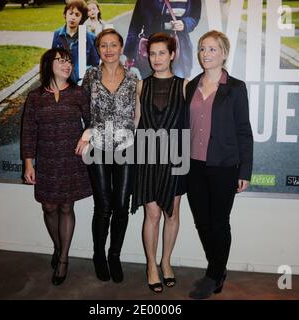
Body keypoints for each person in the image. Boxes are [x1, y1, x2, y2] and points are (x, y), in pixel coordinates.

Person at [185, 30, 253, 299]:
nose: (206, 54)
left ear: (224, 54)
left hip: (224, 165)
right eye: (202, 49)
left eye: (212, 49)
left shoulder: (235, 88)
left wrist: (244, 170)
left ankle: (214, 274)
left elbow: (244, 131)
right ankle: (217, 268)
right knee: (202, 222)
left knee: (219, 223)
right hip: (193, 166)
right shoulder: (191, 85)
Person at [21, 48, 92, 286]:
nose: (66, 64)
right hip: (47, 160)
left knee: (66, 207)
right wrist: (29, 163)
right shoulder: (35, 97)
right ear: (48, 64)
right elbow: (29, 131)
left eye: (69, 61)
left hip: (71, 159)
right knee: (49, 207)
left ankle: (63, 258)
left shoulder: (78, 93)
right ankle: (58, 246)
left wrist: (86, 135)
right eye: (61, 60)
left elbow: (93, 120)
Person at [131, 33, 188, 293]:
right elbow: (136, 122)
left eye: (162, 53)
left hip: (175, 157)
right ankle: (151, 265)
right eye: (152, 53)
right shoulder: (141, 86)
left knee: (172, 214)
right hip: (147, 156)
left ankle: (166, 261)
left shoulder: (185, 86)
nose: (156, 58)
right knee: (152, 214)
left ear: (172, 54)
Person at [81, 29, 138, 283]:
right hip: (98, 147)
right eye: (103, 45)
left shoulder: (134, 76)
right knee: (103, 206)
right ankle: (98, 255)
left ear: (121, 46)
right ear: (98, 49)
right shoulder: (90, 75)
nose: (108, 49)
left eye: (113, 44)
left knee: (121, 207)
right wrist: (85, 132)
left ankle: (114, 255)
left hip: (126, 147)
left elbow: (137, 112)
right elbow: (82, 109)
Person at [123, 0, 201, 79]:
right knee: (150, 87)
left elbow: (195, 16)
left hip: (177, 52)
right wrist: (129, 54)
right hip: (149, 54)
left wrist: (185, 24)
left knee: (176, 86)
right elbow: (135, 26)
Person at [52, 0, 100, 83]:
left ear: (82, 18)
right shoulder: (57, 34)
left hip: (81, 84)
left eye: (77, 15)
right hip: (62, 82)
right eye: (70, 13)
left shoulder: (89, 37)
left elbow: (95, 63)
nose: (73, 17)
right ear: (65, 14)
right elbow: (52, 59)